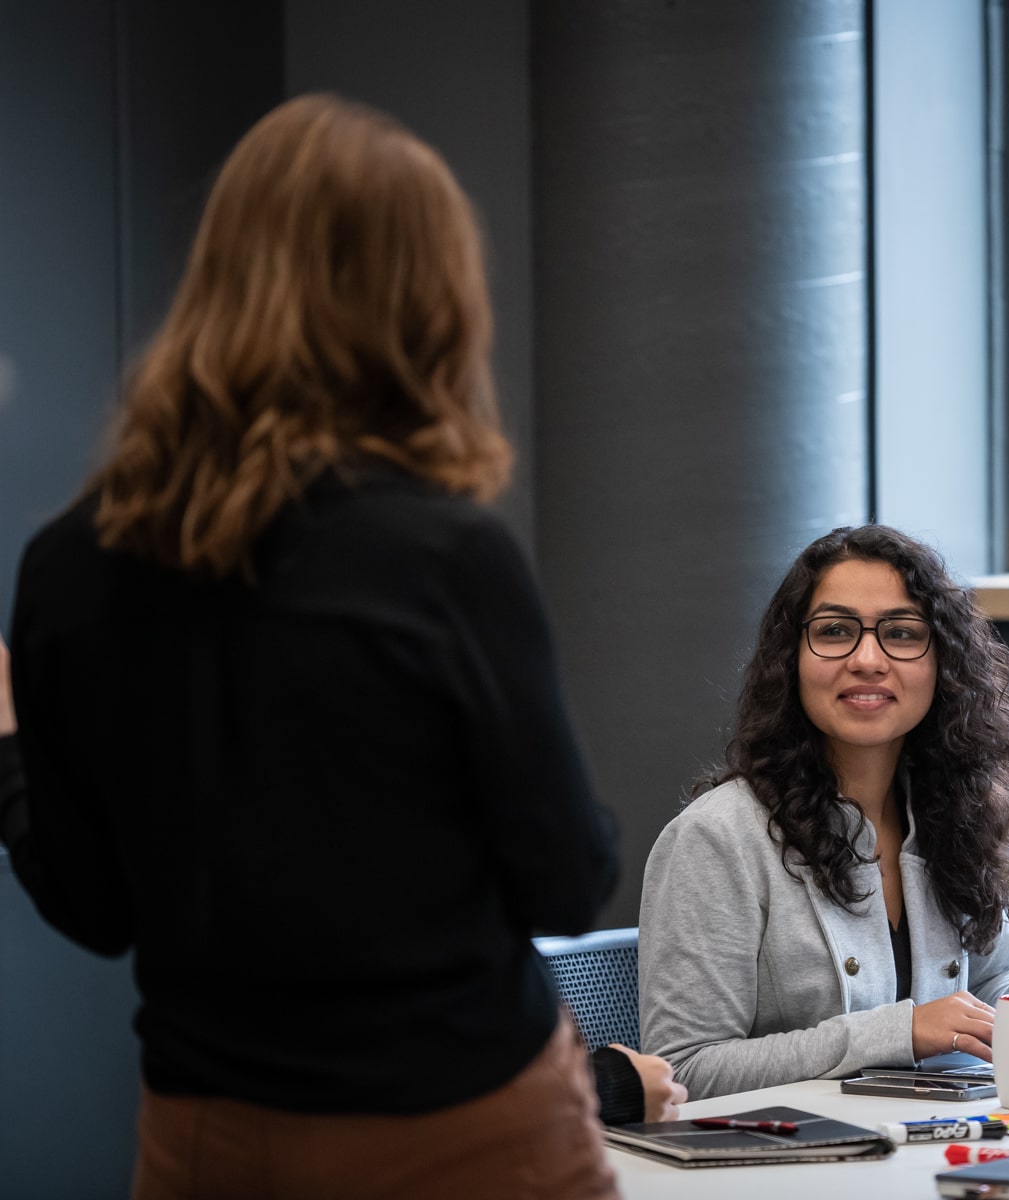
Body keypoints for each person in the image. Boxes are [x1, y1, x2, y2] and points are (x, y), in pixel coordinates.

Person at [0, 95, 672, 1200]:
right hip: (460, 1134)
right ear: (425, 306)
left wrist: (9, 748)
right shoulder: (445, 553)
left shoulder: (72, 563)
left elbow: (94, 908)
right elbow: (564, 876)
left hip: (203, 1136)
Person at [638, 524, 1009, 1100]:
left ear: (942, 664)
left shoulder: (952, 814)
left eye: (901, 633)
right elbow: (683, 1071)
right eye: (834, 631)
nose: (868, 659)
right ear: (791, 658)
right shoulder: (715, 838)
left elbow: (994, 977)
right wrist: (900, 1032)